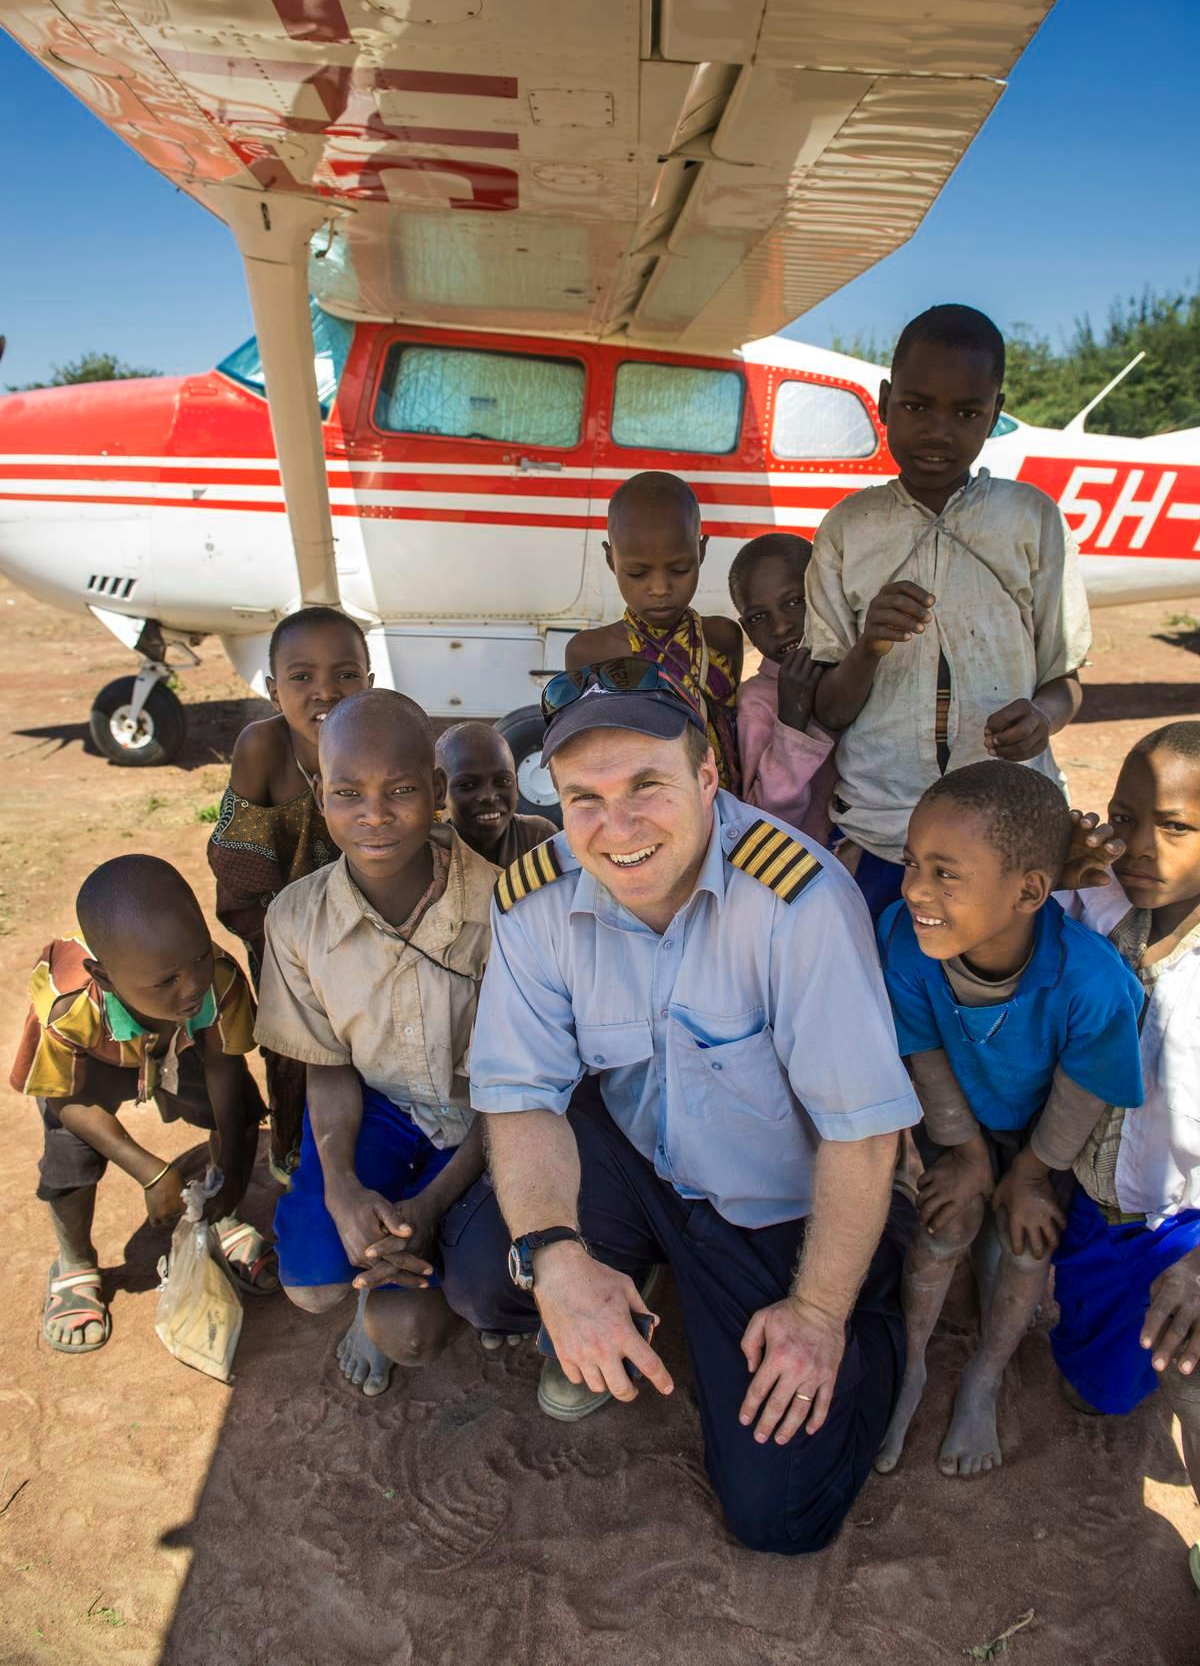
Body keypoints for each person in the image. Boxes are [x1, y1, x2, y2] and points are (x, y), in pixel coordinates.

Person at [438, 659, 923, 1555]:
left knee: (779, 1516)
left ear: (707, 778)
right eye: (583, 797)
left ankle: (867, 1323)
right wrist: (556, 1258)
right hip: (639, 1159)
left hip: (774, 1204)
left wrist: (816, 1317)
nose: (615, 827)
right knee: (483, 1276)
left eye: (646, 787)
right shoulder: (536, 898)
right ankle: (627, 1279)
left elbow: (863, 1137)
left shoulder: (797, 901)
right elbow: (521, 1097)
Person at [873, 761, 1144, 1478]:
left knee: (1028, 1244)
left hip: (1043, 1135)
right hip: (954, 1117)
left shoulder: (1091, 981)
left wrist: (1029, 1173)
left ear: (1029, 890)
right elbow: (921, 1047)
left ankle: (985, 1377)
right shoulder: (904, 936)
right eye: (910, 864)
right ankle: (911, 1370)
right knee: (944, 1227)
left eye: (944, 873)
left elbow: (1085, 1088)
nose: (915, 890)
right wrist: (962, 1152)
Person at [806, 304, 1091, 918]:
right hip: (882, 828)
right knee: (881, 994)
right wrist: (868, 648)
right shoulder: (850, 529)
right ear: (885, 401)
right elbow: (827, 707)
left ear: (995, 412)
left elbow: (1064, 681)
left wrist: (1042, 716)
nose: (939, 429)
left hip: (1009, 827)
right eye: (916, 406)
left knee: (998, 994)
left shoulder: (1030, 518)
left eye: (966, 412)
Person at [254, 689, 499, 1397]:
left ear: (437, 790)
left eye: (400, 791)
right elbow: (328, 1071)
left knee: (411, 1334)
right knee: (309, 1286)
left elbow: (513, 1092)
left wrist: (429, 1210)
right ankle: (374, 1263)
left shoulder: (503, 905)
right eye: (347, 793)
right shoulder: (297, 920)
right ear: (319, 793)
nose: (375, 815)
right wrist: (342, 1189)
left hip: (481, 1128)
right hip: (379, 1113)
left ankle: (422, 1269)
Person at [11, 855, 278, 1354]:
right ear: (106, 978)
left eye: (199, 956)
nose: (192, 986)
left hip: (184, 1045)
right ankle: (75, 1262)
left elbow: (226, 1078)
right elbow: (63, 1096)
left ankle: (223, 1221)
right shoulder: (67, 1003)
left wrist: (229, 1186)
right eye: (165, 982)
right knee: (69, 1156)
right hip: (95, 1066)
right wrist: (153, 1174)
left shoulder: (217, 982)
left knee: (236, 1103)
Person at [1050, 722, 1200, 1535]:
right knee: (1093, 1390)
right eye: (1126, 818)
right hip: (1095, 1213)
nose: (1142, 846)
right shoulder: (1097, 910)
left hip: (1186, 1225)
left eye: (1176, 826)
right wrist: (1068, 863)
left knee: (1191, 1372)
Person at [208, 605, 372, 1183]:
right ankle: (295, 1165)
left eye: (346, 674)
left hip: (375, 933)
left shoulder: (382, 740)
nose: (325, 692)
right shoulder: (263, 749)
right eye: (302, 677)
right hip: (283, 944)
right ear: (275, 691)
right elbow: (237, 863)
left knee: (375, 1041)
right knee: (296, 1052)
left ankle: (373, 1158)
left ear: (370, 682)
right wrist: (295, 941)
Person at [565, 470, 743, 789]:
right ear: (610, 559)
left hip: (728, 817)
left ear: (701, 551)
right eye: (637, 573)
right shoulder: (590, 653)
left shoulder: (723, 639)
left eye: (679, 569)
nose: (660, 588)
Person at [728, 532, 836, 843]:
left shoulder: (854, 670)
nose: (780, 626)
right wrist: (791, 719)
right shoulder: (756, 702)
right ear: (746, 628)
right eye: (759, 617)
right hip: (806, 869)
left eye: (794, 602)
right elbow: (763, 816)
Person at [436, 721, 557, 866]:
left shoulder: (539, 838)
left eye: (503, 781)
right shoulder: (433, 852)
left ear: (516, 786)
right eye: (467, 785)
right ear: (440, 792)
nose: (489, 796)